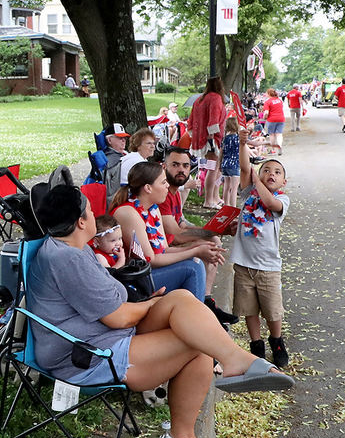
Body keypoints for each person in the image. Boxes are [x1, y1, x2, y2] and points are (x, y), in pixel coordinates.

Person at [25, 172, 293, 438]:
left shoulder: (73, 247)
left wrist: (145, 304)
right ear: (81, 222)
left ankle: (231, 363)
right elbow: (119, 316)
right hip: (87, 355)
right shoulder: (67, 259)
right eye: (88, 209)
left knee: (180, 299)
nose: (93, 213)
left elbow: (114, 308)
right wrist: (149, 305)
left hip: (107, 334)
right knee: (197, 344)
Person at [109, 162, 225, 303]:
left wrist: (198, 249)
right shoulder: (128, 212)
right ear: (148, 188)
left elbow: (164, 250)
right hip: (132, 280)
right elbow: (151, 260)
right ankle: (196, 317)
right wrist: (195, 251)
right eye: (163, 182)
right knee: (192, 267)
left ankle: (193, 312)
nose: (167, 186)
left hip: (146, 274)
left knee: (195, 261)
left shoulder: (153, 209)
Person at [231, 128, 291, 368]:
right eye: (266, 169)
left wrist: (257, 179)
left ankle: (276, 340)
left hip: (268, 266)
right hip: (244, 264)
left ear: (283, 181)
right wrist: (243, 144)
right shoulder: (249, 194)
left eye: (277, 172)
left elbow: (269, 201)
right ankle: (256, 344)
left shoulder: (282, 200)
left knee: (273, 310)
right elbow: (246, 169)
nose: (270, 174)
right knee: (249, 308)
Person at [157, 146, 237, 326]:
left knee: (213, 240)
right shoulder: (162, 194)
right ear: (164, 167)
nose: (182, 170)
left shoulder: (174, 192)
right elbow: (176, 234)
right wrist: (214, 231)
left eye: (186, 166)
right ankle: (202, 307)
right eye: (175, 165)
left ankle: (206, 300)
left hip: (170, 244)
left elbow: (182, 225)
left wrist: (216, 229)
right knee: (211, 242)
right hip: (164, 250)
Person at [188, 77, 226, 209]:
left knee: (215, 170)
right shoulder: (215, 98)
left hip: (202, 140)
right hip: (212, 141)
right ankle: (209, 200)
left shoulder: (199, 99)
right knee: (213, 169)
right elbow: (213, 120)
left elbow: (191, 121)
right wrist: (211, 138)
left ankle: (215, 197)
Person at [261, 88, 285, 155]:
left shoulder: (267, 102)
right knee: (279, 134)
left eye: (266, 93)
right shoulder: (279, 100)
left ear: (269, 94)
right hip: (281, 118)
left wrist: (264, 118)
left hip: (271, 119)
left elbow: (266, 112)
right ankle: (280, 145)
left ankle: (273, 149)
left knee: (272, 134)